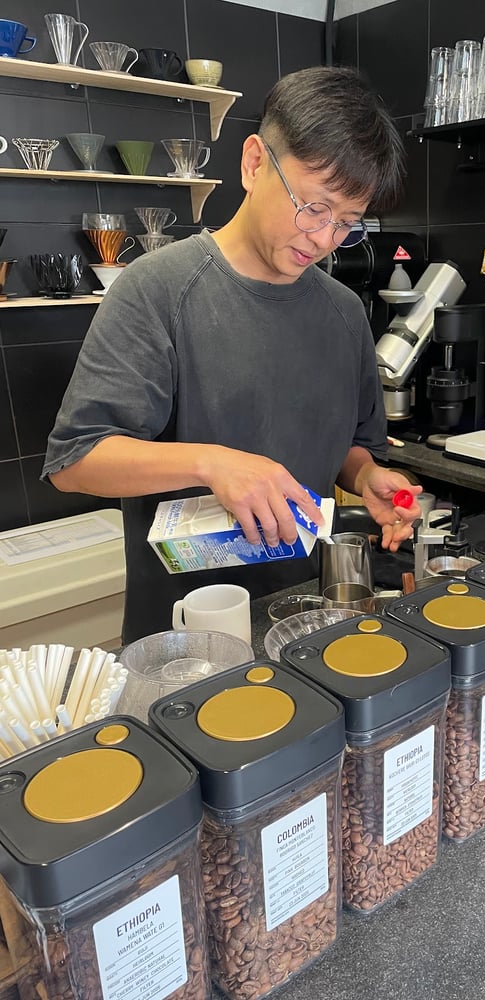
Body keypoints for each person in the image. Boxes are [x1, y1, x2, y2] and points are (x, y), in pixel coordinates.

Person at [43, 65, 422, 643]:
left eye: (347, 223)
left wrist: (369, 476)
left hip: (306, 616)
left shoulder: (345, 312)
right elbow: (75, 462)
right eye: (313, 207)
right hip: (185, 634)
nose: (324, 239)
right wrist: (212, 464)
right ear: (253, 163)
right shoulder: (158, 290)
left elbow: (352, 447)